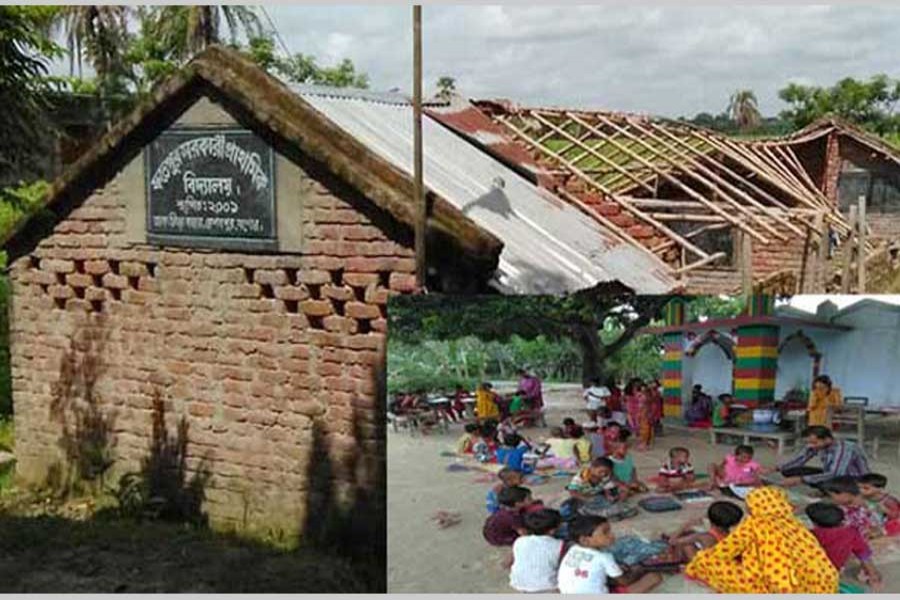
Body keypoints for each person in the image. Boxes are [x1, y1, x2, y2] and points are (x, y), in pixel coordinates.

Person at [684, 486, 839, 593]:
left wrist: (702, 558)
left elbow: (723, 552)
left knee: (706, 560)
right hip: (822, 584)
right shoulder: (795, 524)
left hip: (777, 589)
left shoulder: (753, 525)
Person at [557, 515, 662, 594]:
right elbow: (625, 582)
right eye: (605, 532)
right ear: (585, 540)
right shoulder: (604, 557)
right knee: (654, 577)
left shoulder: (572, 549)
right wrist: (639, 570)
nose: (612, 535)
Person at [805, 502, 883, 591]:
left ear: (815, 523)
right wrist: (872, 573)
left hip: (813, 570)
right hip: (836, 570)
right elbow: (863, 553)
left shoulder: (809, 534)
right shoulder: (851, 532)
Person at [648, 501, 744, 565]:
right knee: (690, 533)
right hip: (720, 560)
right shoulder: (730, 533)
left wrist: (686, 525)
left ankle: (674, 559)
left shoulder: (704, 537)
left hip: (706, 567)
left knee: (686, 545)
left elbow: (672, 541)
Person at [777, 426, 869, 488]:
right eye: (808, 443)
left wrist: (800, 479)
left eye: (814, 443)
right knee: (791, 470)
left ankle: (832, 493)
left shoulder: (845, 448)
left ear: (827, 439)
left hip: (854, 480)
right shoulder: (819, 445)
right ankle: (826, 491)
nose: (810, 446)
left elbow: (835, 474)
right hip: (833, 474)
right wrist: (776, 468)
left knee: (822, 480)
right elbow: (799, 460)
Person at [509, 509, 566, 593]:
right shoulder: (559, 545)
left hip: (518, 583)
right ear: (552, 530)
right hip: (547, 586)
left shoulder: (520, 541)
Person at [624, 378, 653, 450]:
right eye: (635, 385)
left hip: (643, 412)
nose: (637, 386)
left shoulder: (643, 393)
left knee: (644, 427)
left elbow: (648, 401)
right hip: (632, 413)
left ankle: (644, 443)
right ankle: (642, 442)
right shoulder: (628, 394)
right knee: (635, 428)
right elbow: (626, 403)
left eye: (638, 385)